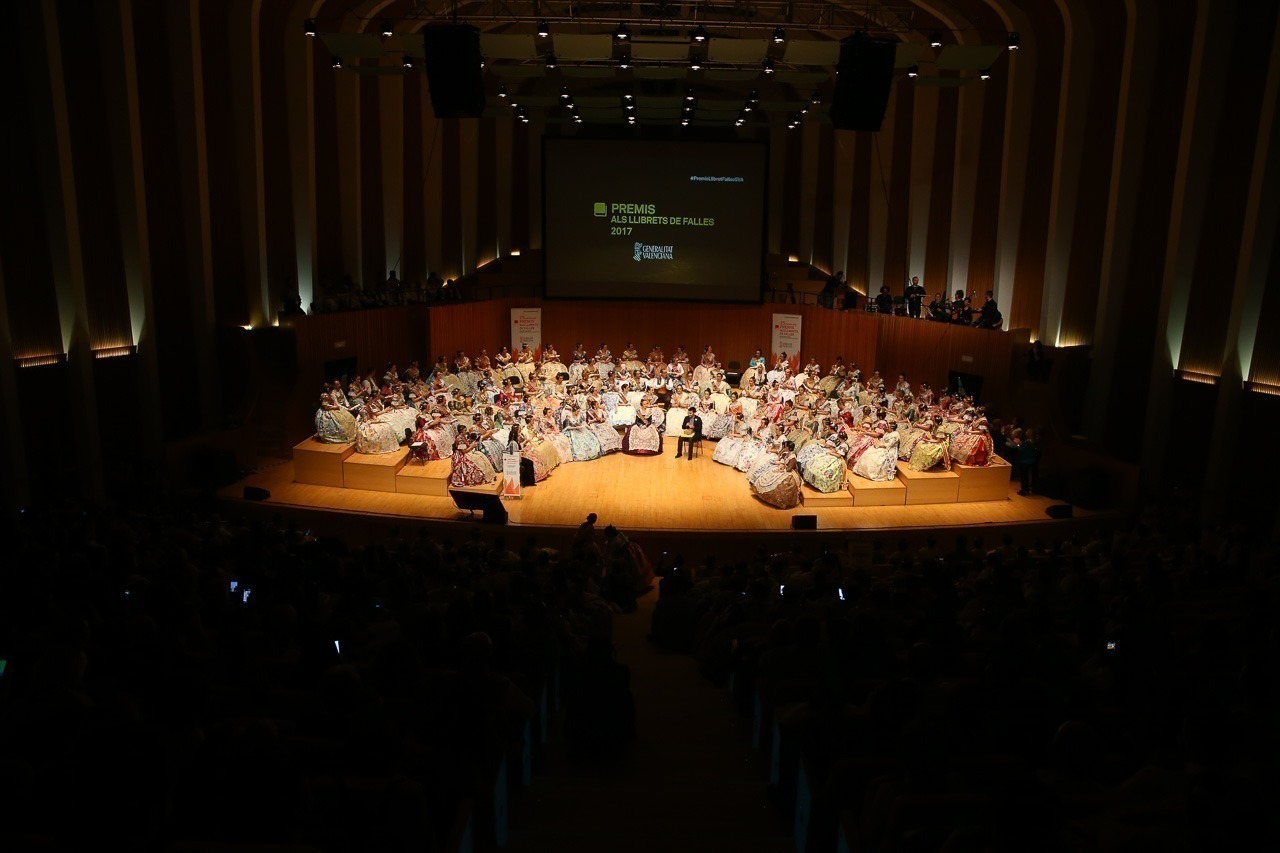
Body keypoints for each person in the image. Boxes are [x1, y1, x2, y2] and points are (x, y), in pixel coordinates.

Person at [1017, 428, 1041, 495]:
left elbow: (1021, 450)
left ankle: (1024, 490)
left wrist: (1018, 445)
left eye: (1027, 431)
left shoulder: (1028, 442)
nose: (1026, 432)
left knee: (1024, 476)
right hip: (1031, 460)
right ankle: (1028, 489)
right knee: (1028, 476)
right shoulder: (1034, 441)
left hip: (1024, 461)